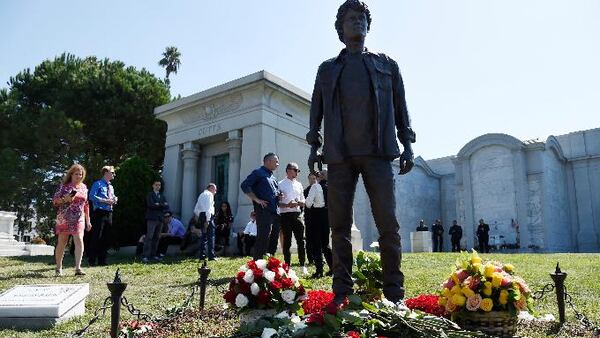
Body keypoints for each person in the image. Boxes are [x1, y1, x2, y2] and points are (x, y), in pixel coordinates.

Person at [306, 0, 416, 303]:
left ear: (368, 25)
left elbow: (400, 108)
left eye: (362, 18)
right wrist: (314, 148)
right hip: (339, 155)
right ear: (340, 28)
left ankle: (394, 294)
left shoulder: (387, 64)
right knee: (338, 226)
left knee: (388, 224)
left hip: (378, 152)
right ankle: (342, 291)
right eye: (351, 19)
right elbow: (316, 112)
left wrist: (407, 144)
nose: (358, 22)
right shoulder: (327, 69)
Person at [52, 164, 91, 277]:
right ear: (71, 174)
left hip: (79, 218)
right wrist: (65, 199)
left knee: (79, 239)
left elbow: (86, 204)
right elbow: (55, 201)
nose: (79, 176)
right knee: (62, 242)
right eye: (76, 174)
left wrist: (88, 220)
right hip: (64, 218)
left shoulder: (84, 187)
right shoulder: (64, 186)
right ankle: (58, 268)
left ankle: (78, 268)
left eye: (81, 174)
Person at [240, 152, 281, 260]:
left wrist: (279, 195)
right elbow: (244, 185)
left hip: (275, 212)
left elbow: (274, 193)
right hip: (263, 211)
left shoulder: (272, 177)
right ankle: (257, 265)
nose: (278, 164)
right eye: (276, 161)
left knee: (273, 238)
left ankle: (271, 263)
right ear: (268, 161)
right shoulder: (258, 173)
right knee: (263, 237)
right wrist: (256, 199)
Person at [278, 162, 308, 275]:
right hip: (285, 215)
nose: (297, 173)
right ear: (289, 170)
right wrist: (287, 205)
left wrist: (298, 203)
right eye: (296, 170)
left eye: (297, 170)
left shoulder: (299, 184)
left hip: (297, 214)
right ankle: (287, 266)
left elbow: (303, 201)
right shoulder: (280, 184)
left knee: (301, 240)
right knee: (287, 242)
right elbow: (277, 202)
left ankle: (302, 265)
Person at [306, 170, 333, 278]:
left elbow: (308, 204)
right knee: (326, 244)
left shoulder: (315, 187)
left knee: (316, 244)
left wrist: (301, 202)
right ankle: (332, 268)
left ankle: (319, 270)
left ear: (320, 177)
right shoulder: (332, 186)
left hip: (316, 216)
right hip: (327, 216)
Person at [88, 165, 117, 266]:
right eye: (112, 172)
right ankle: (92, 260)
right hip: (99, 212)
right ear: (106, 173)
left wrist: (114, 199)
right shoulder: (98, 184)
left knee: (106, 236)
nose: (114, 174)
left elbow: (112, 197)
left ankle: (102, 260)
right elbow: (91, 196)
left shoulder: (111, 186)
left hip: (109, 212)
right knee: (97, 236)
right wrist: (105, 201)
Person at [142, 180, 169, 263]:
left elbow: (166, 206)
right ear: (153, 186)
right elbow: (150, 205)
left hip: (160, 219)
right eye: (156, 185)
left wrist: (158, 204)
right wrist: (160, 205)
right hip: (152, 218)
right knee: (149, 236)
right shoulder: (150, 195)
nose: (158, 186)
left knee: (156, 237)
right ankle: (145, 255)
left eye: (159, 185)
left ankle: (153, 254)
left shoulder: (162, 196)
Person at [193, 183, 217, 260]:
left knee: (204, 236)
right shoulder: (209, 194)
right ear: (210, 188)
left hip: (202, 215)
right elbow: (208, 208)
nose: (215, 191)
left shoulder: (201, 195)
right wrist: (208, 220)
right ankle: (211, 256)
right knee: (211, 236)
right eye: (214, 189)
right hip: (207, 216)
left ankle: (202, 255)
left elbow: (196, 209)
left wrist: (200, 217)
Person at [303, 173, 316, 265]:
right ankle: (310, 258)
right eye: (311, 179)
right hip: (309, 218)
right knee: (309, 239)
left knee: (318, 239)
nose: (313, 180)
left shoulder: (320, 189)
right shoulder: (305, 191)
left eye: (314, 178)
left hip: (318, 218)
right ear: (308, 179)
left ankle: (319, 257)